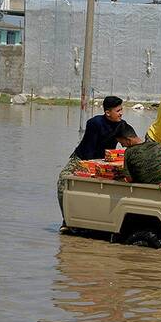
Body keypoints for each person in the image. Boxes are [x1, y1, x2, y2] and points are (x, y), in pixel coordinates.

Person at [57, 96, 133, 231]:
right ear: (108, 112)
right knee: (63, 181)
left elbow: (133, 141)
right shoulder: (95, 123)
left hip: (105, 162)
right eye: (118, 110)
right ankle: (67, 220)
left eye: (121, 110)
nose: (121, 113)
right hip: (82, 159)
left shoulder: (121, 124)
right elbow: (89, 151)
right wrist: (91, 171)